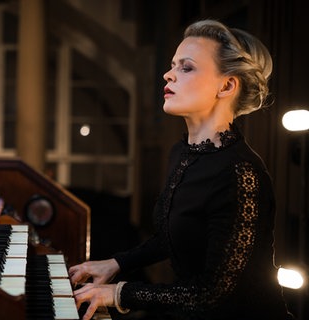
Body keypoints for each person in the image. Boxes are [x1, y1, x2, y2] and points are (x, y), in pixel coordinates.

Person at [68, 19, 294, 320]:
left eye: (186, 67)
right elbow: (174, 236)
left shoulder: (242, 174)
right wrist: (116, 263)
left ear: (226, 85)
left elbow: (213, 293)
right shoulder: (183, 153)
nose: (168, 74)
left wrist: (119, 293)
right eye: (173, 65)